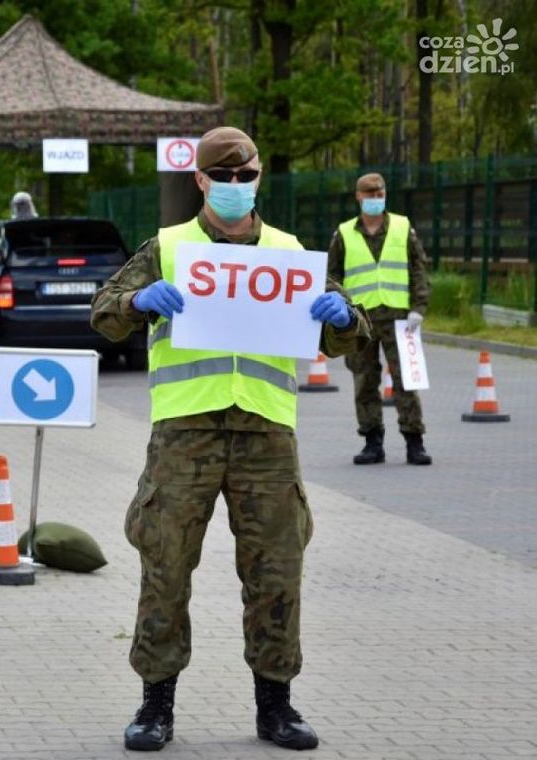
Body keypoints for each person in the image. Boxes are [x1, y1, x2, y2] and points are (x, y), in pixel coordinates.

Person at [90, 126, 371, 752]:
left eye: (246, 176)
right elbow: (104, 311)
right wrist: (140, 300)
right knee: (165, 565)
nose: (236, 186)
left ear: (259, 176)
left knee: (277, 569)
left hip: (266, 434)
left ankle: (276, 705)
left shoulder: (289, 253)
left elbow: (353, 333)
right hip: (184, 433)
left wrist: (344, 318)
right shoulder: (169, 248)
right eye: (224, 177)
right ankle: (155, 704)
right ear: (201, 180)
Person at [328, 173, 433, 466]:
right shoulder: (344, 233)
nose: (375, 199)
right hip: (360, 320)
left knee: (405, 380)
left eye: (380, 194)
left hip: (399, 318)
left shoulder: (402, 227)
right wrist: (340, 311)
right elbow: (332, 275)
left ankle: (414, 441)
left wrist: (419, 307)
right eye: (370, 194)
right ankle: (372, 442)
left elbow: (419, 268)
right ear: (358, 197)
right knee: (364, 381)